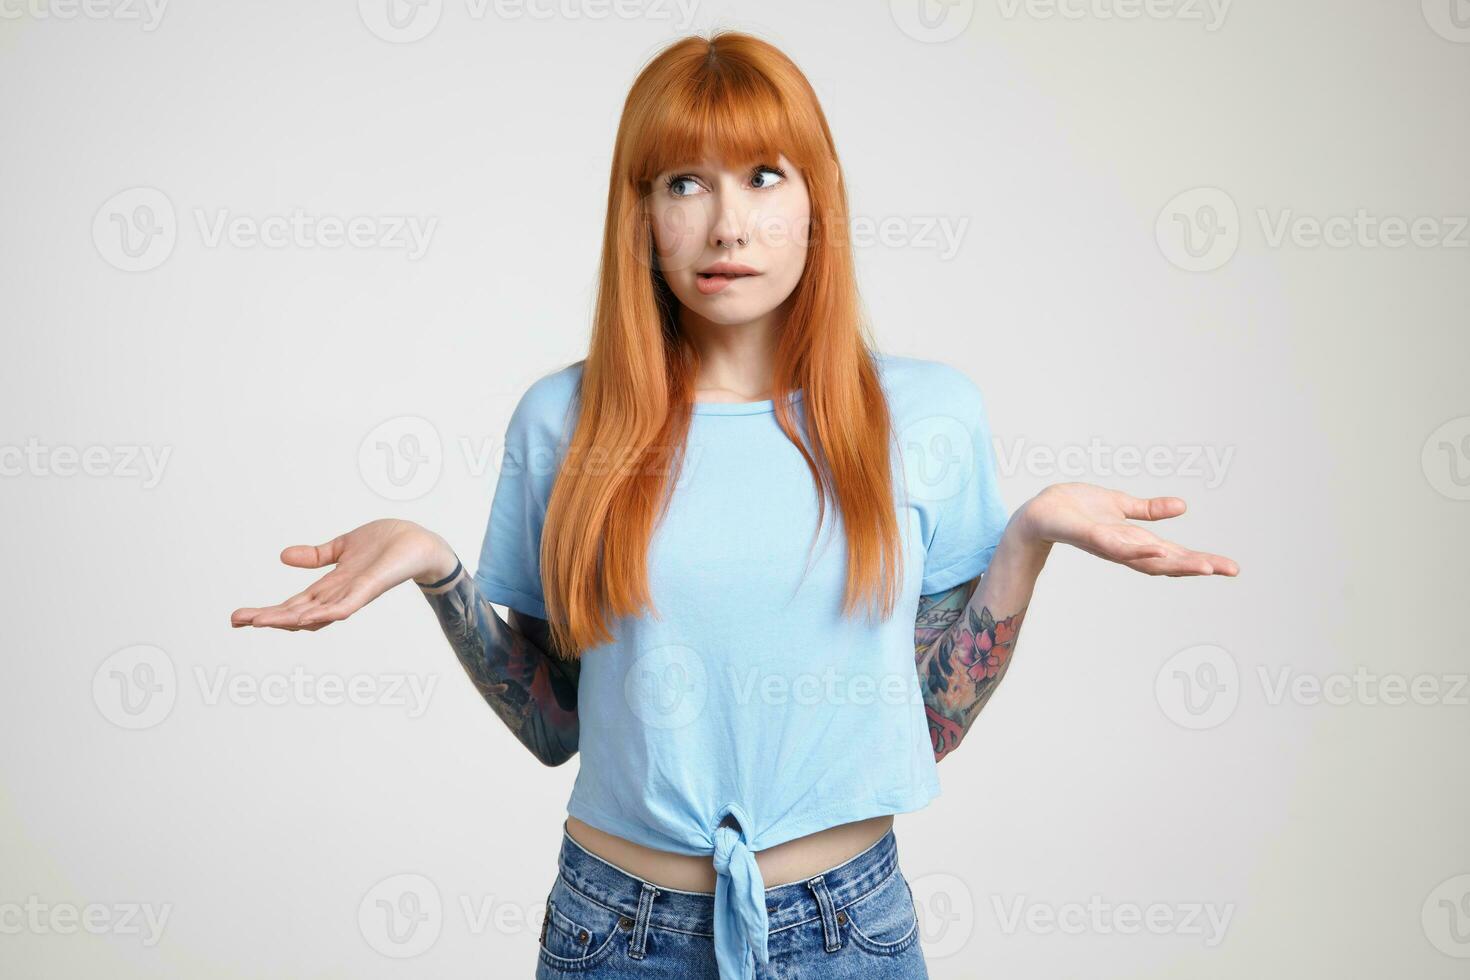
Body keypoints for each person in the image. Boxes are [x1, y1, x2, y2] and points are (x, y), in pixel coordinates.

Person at [230, 30, 1238, 980]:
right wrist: (439, 573)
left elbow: (925, 722)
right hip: (614, 928)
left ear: (816, 200)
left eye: (764, 175)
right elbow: (554, 726)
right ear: (642, 214)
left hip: (847, 926)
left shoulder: (926, 415)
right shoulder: (564, 423)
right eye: (685, 182)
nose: (727, 222)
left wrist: (1027, 540)